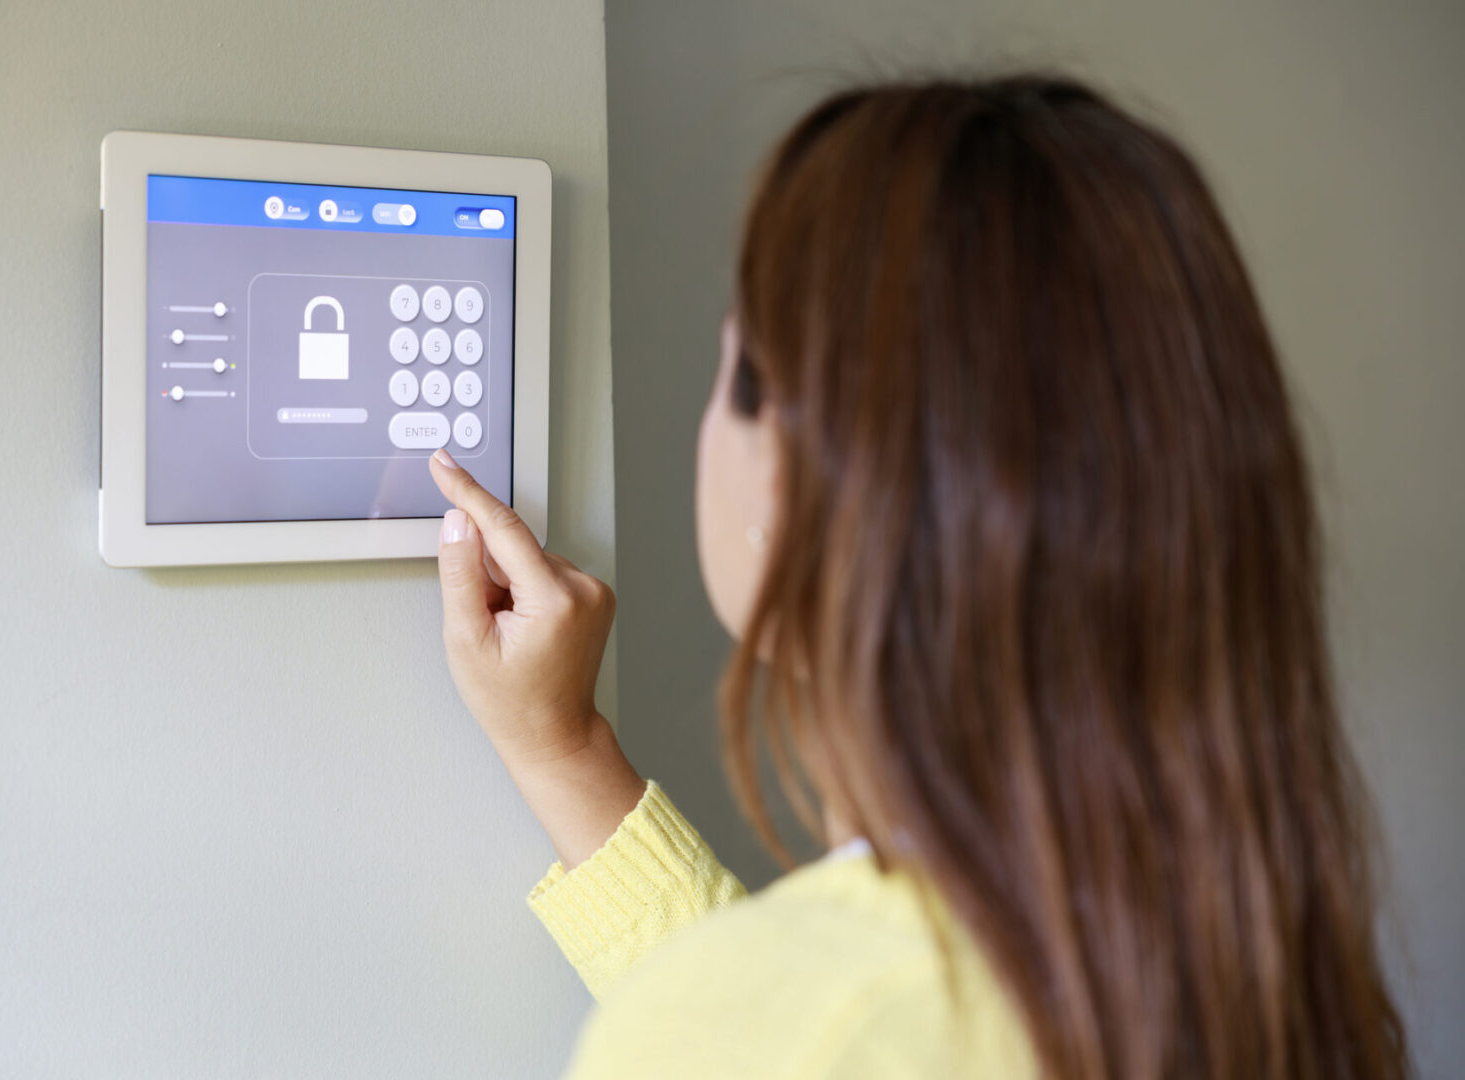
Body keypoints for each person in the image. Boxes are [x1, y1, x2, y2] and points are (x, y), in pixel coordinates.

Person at [424, 75, 1409, 1079]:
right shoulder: (1256, 949)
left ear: (802, 487)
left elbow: (789, 1030)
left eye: (736, 369)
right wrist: (563, 746)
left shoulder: (762, 1033)